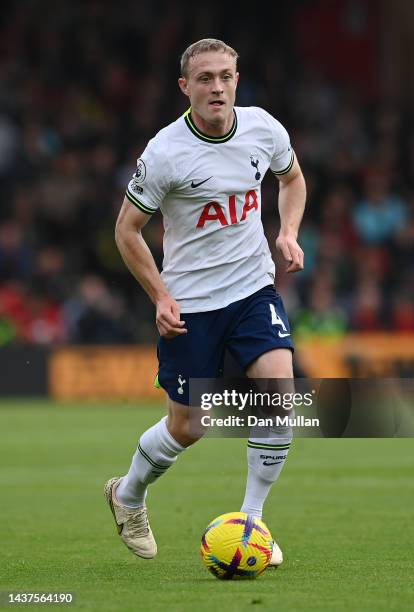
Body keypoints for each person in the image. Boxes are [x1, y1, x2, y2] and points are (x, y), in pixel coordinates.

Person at [105, 38, 306, 566]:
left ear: (237, 79)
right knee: (188, 427)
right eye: (205, 79)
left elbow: (292, 179)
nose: (217, 87)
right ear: (185, 87)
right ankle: (126, 495)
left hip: (252, 289)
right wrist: (160, 294)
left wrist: (287, 232)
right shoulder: (166, 151)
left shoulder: (264, 127)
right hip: (191, 305)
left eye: (225, 76)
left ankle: (252, 524)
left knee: (279, 394)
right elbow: (127, 230)